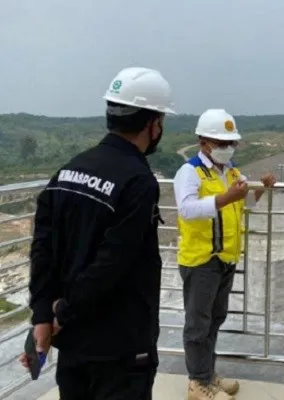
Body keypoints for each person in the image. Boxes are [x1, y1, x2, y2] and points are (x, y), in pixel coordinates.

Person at [19, 67, 175, 399]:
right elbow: (112, 264)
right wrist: (61, 313)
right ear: (152, 124)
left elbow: (41, 248)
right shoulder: (138, 181)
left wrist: (45, 314)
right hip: (120, 349)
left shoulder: (70, 170)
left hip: (75, 346)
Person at [173, 109, 276, 400]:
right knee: (197, 324)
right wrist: (225, 198)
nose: (227, 148)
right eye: (221, 143)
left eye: (231, 143)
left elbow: (243, 206)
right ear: (203, 142)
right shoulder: (190, 172)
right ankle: (196, 382)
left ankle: (207, 374)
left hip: (225, 259)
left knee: (214, 320)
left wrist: (262, 190)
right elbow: (187, 209)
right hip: (201, 260)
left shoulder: (231, 172)